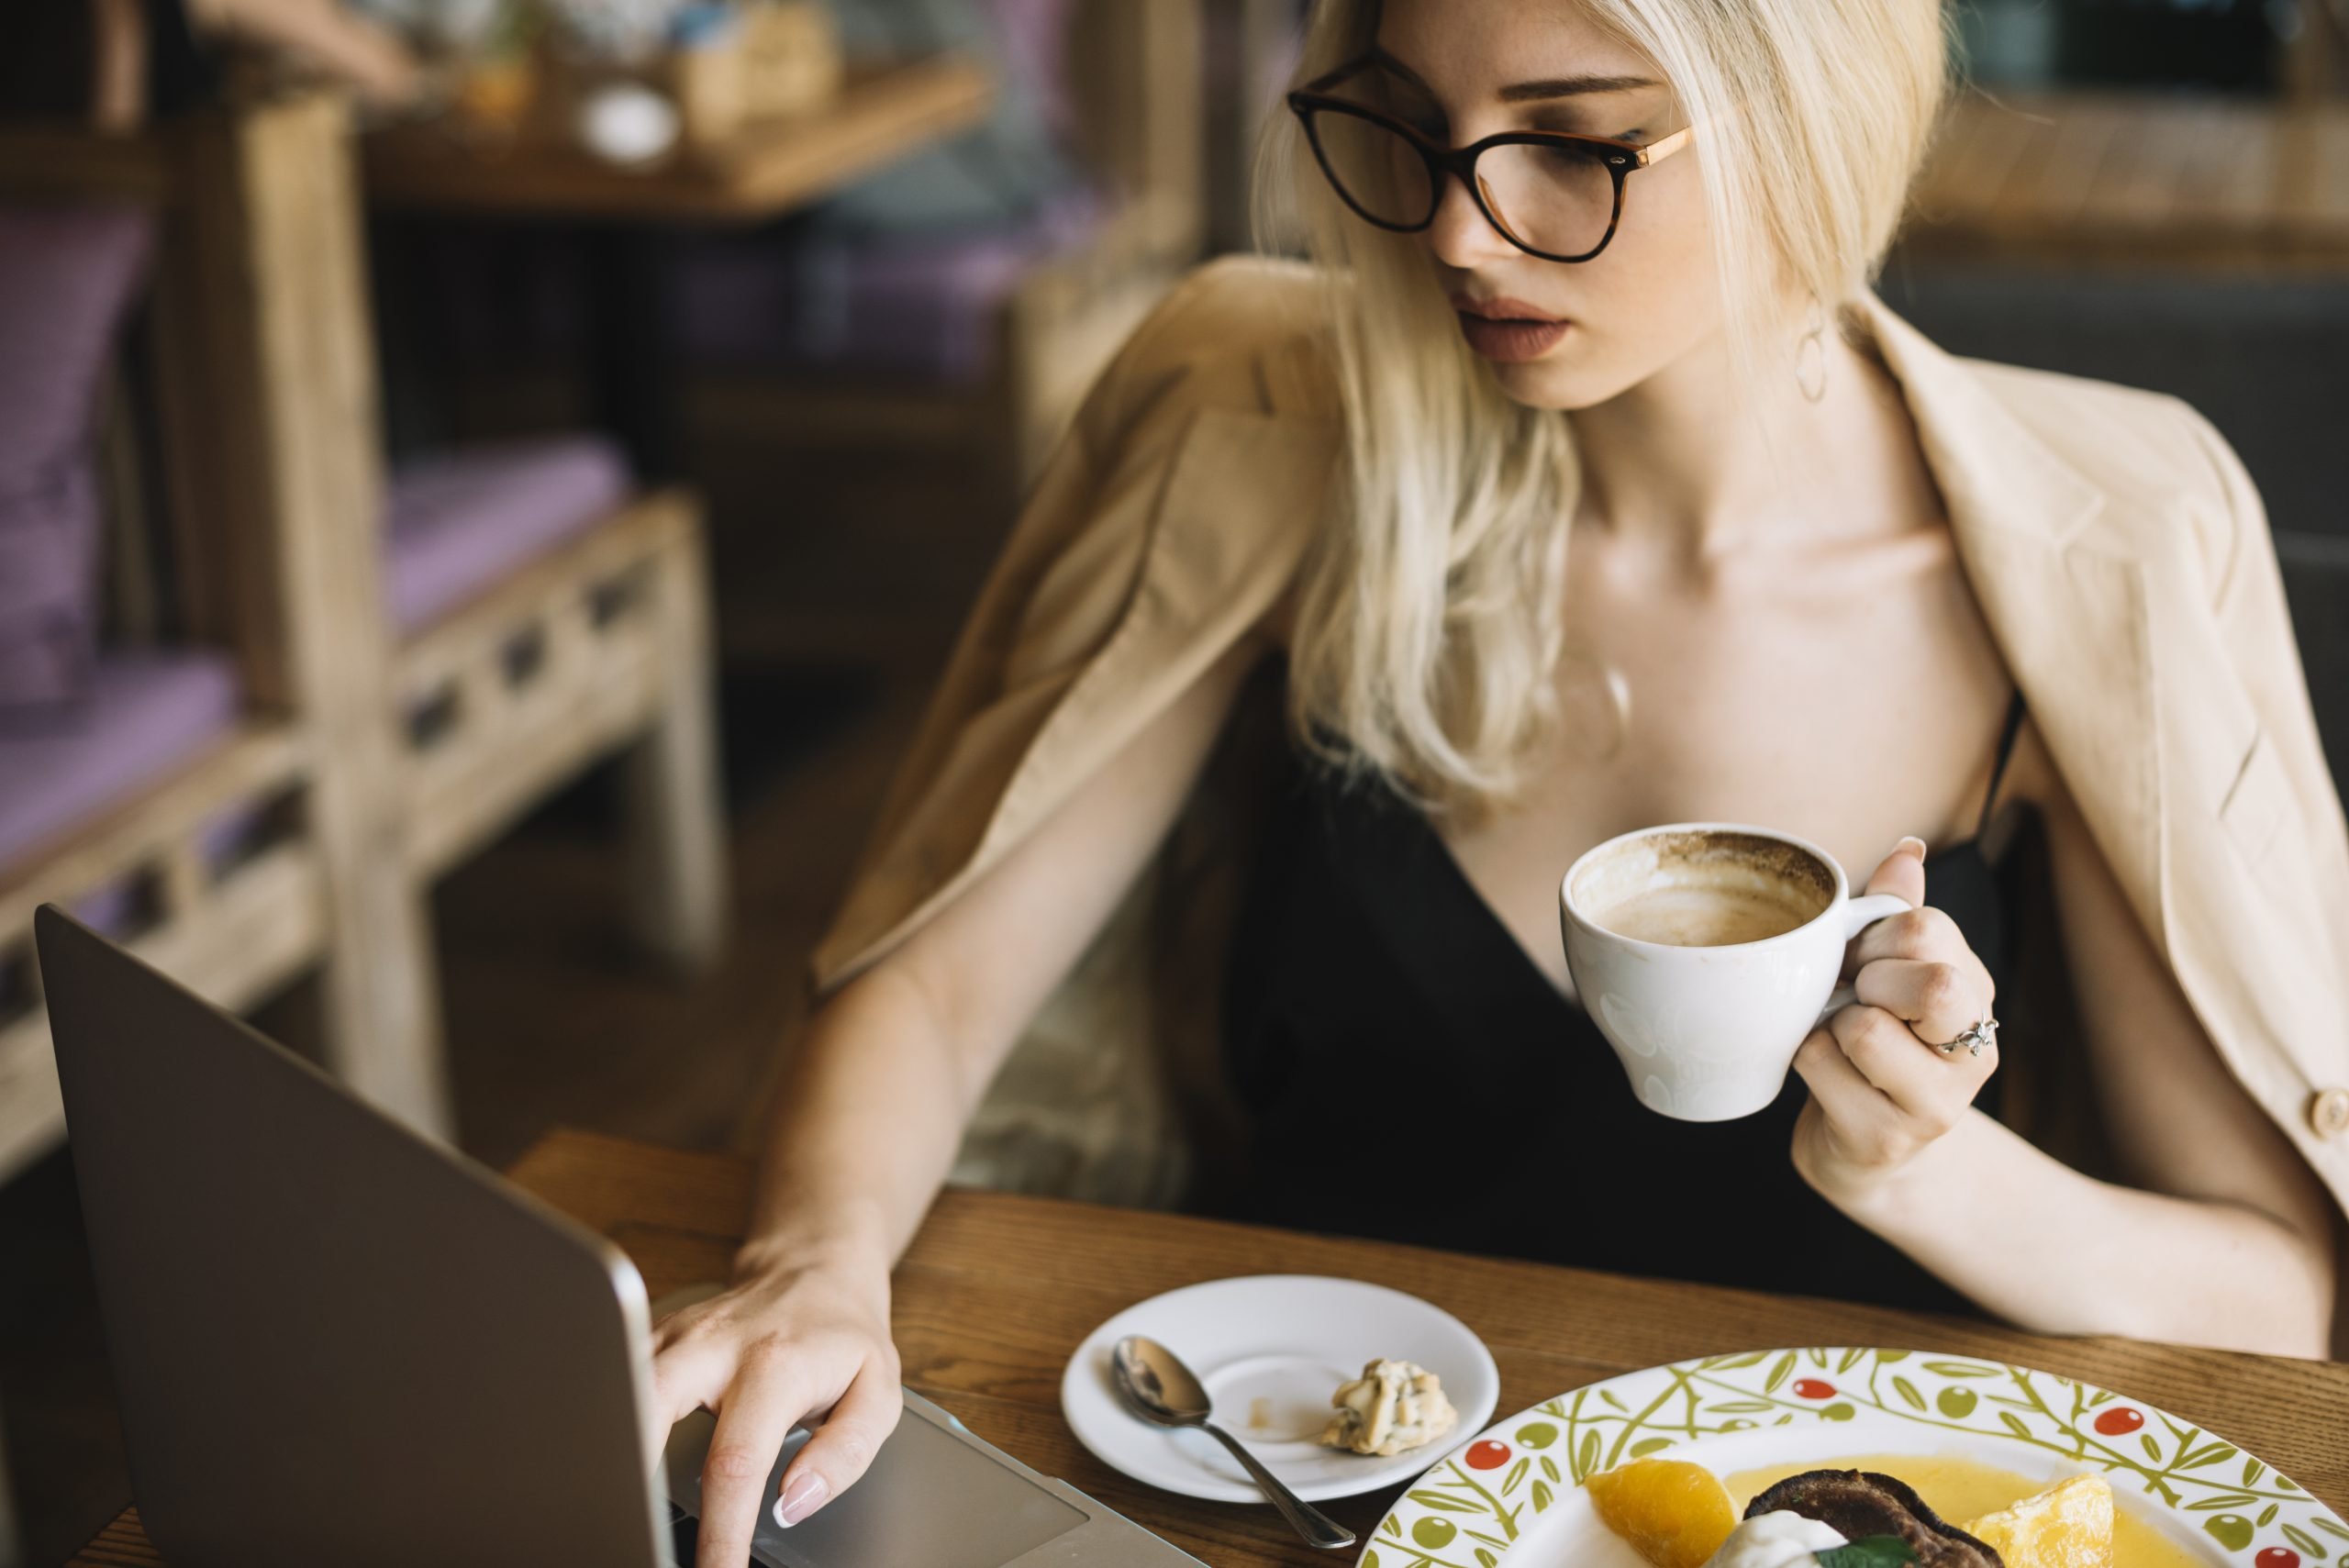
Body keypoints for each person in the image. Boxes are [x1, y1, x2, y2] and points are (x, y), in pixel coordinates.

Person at [650, 1, 2349, 1561]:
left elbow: (2272, 1300)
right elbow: (938, 979)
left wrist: (1927, 1166)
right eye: (1403, 122)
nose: (1455, 228)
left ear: (1808, 118)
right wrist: (812, 1267)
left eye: (1578, 142)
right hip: (1271, 1486)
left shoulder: (2105, 542)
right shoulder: (1259, 419)